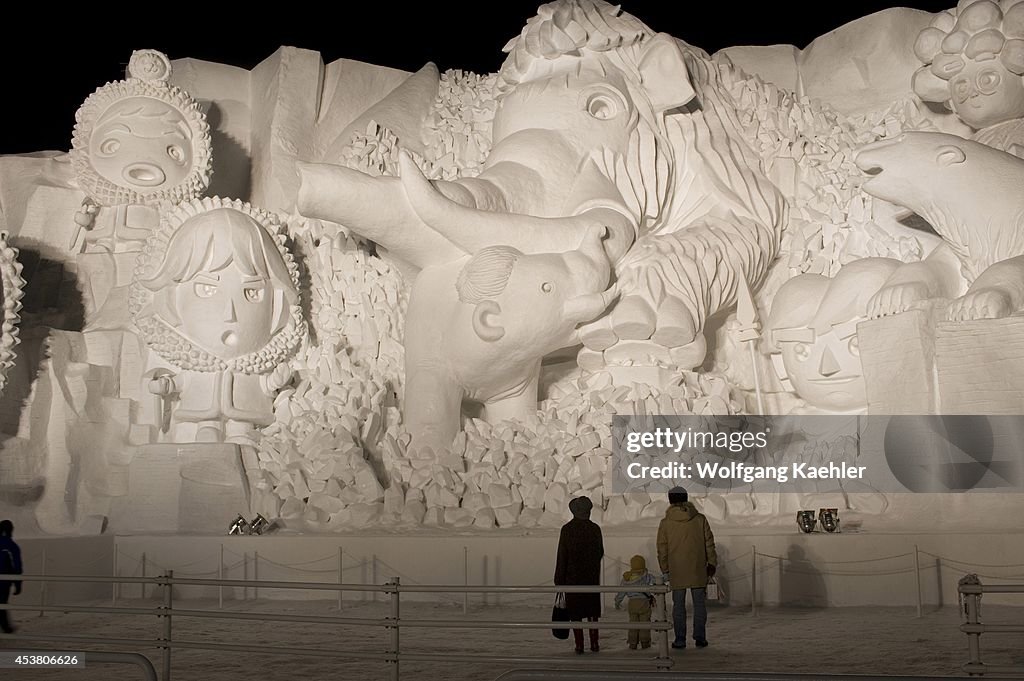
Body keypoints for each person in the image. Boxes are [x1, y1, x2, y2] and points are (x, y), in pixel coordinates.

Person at [657, 487, 717, 649]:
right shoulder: (700, 519)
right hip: (698, 567)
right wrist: (711, 564)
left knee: (678, 606)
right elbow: (709, 543)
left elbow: (662, 548)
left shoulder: (666, 523)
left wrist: (665, 569)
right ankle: (700, 637)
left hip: (677, 568)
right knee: (699, 605)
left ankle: (680, 639)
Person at [554, 496, 604, 654]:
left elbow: (562, 555)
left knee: (575, 613)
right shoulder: (595, 528)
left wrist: (559, 579)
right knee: (592, 612)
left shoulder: (567, 529)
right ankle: (594, 643)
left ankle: (579, 645)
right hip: (591, 577)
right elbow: (600, 552)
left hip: (572, 578)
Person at [614, 554, 657, 650]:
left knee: (633, 623)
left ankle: (633, 643)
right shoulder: (646, 576)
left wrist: (617, 602)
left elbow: (621, 592)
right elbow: (657, 581)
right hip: (644, 603)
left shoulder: (627, 578)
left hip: (632, 603)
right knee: (644, 624)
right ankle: (645, 643)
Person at [0, 520, 23, 634]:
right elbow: (17, 566)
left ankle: (6, 627)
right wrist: (18, 584)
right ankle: (6, 628)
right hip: (4, 583)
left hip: (4, 582)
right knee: (2, 604)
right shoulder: (12, 546)